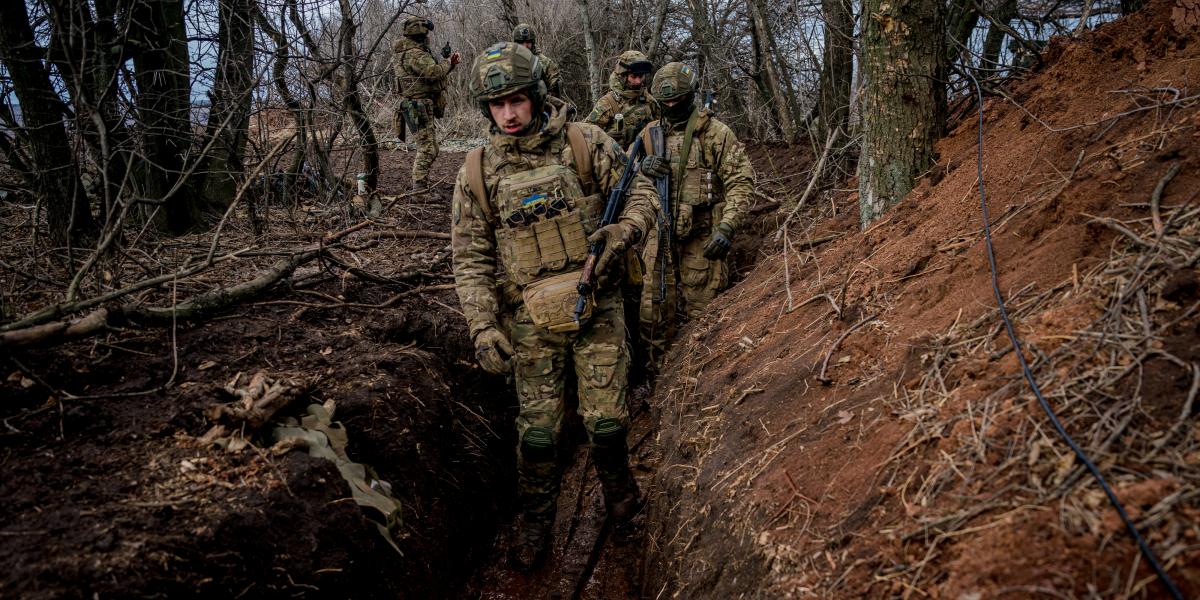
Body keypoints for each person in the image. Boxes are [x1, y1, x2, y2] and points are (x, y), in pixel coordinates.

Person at [450, 41, 656, 570]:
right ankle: (536, 516)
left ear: (537, 95)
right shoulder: (477, 171)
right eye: (497, 105)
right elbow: (470, 258)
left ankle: (622, 501)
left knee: (606, 423)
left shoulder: (585, 142)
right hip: (530, 323)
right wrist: (481, 327)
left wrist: (624, 229)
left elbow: (640, 194)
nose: (509, 113)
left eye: (517, 100)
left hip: (598, 308)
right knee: (538, 436)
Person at [633, 62, 754, 372]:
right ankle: (658, 380)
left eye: (678, 100)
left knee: (707, 313)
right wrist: (641, 168)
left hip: (701, 237)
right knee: (654, 314)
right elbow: (621, 184)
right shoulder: (648, 135)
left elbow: (741, 181)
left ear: (691, 96)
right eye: (666, 102)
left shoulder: (715, 133)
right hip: (658, 241)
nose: (672, 106)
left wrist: (727, 227)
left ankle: (704, 376)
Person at [393, 15, 461, 187]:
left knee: (431, 147)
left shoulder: (409, 53)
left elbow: (431, 76)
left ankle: (421, 184)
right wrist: (447, 63)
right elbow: (433, 73)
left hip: (418, 105)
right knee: (427, 148)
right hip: (418, 106)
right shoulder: (415, 54)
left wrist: (449, 65)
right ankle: (419, 188)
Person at [586, 51, 657, 148]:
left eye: (641, 76)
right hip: (617, 159)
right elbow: (586, 134)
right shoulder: (608, 102)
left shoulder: (648, 99)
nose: (638, 81)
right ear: (623, 76)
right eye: (633, 76)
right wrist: (604, 138)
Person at [512, 23, 562, 97]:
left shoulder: (544, 62)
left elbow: (556, 86)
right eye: (520, 42)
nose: (524, 46)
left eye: (528, 42)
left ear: (533, 42)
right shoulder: (509, 62)